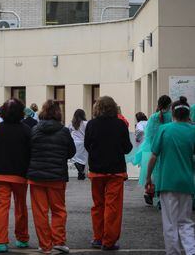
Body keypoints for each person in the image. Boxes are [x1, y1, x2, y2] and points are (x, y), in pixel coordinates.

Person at [145, 96, 195, 255]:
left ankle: (173, 252)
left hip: (167, 182)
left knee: (170, 223)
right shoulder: (193, 131)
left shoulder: (164, 129)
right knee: (186, 221)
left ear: (173, 114)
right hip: (186, 182)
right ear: (188, 115)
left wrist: (148, 178)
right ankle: (190, 250)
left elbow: (153, 156)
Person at [27, 100, 76, 254]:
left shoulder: (34, 130)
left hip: (36, 176)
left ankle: (45, 244)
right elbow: (71, 152)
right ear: (58, 113)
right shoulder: (64, 131)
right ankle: (59, 241)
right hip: (57, 177)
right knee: (58, 210)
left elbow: (28, 151)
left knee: (40, 211)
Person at [84, 96, 133, 251]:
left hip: (96, 171)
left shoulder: (91, 124)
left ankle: (98, 238)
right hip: (115, 171)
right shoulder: (120, 124)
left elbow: (87, 145)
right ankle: (109, 241)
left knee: (98, 205)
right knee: (113, 207)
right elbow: (127, 148)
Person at [0, 99, 31, 253]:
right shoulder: (26, 130)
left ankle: (1, 241)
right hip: (20, 175)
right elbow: (31, 153)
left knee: (1, 208)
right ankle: (22, 238)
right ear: (21, 112)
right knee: (21, 207)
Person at [136, 95, 172, 206]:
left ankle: (149, 191)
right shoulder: (172, 116)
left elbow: (149, 135)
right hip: (168, 150)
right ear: (170, 105)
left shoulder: (153, 117)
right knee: (166, 173)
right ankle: (162, 197)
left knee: (153, 173)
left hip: (153, 149)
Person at [68, 109, 88, 180]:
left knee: (74, 158)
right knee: (83, 159)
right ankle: (81, 173)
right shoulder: (86, 123)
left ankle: (80, 173)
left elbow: (68, 132)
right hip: (83, 142)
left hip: (74, 142)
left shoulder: (72, 123)